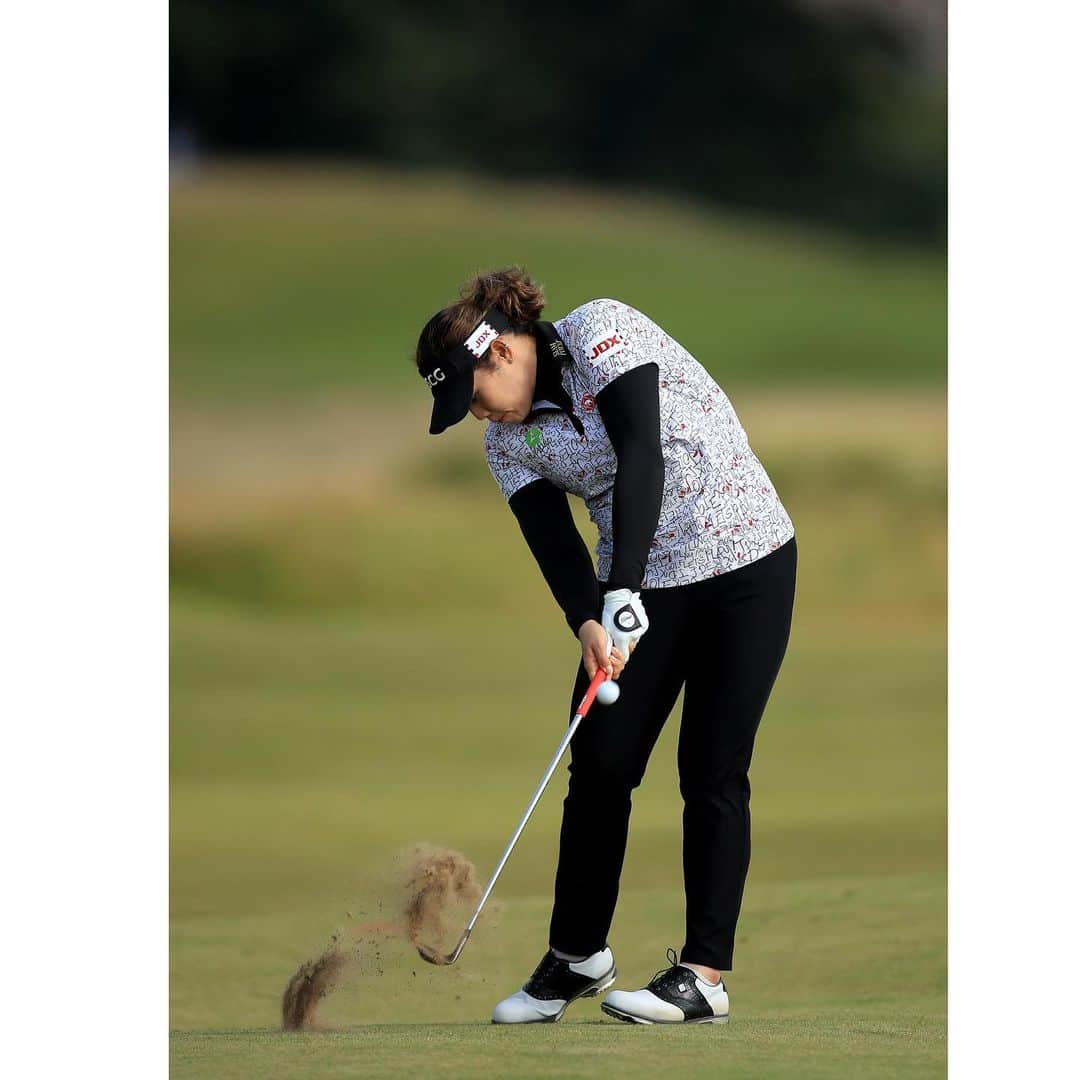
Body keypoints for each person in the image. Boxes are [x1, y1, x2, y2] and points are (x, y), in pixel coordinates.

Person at [414, 267, 797, 1025]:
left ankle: (704, 977)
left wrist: (622, 588)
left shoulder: (601, 331)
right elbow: (554, 546)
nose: (476, 416)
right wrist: (590, 621)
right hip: (637, 592)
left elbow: (641, 450)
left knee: (712, 768)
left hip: (745, 562)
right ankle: (577, 956)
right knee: (599, 763)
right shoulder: (508, 444)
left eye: (474, 396)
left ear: (499, 355)